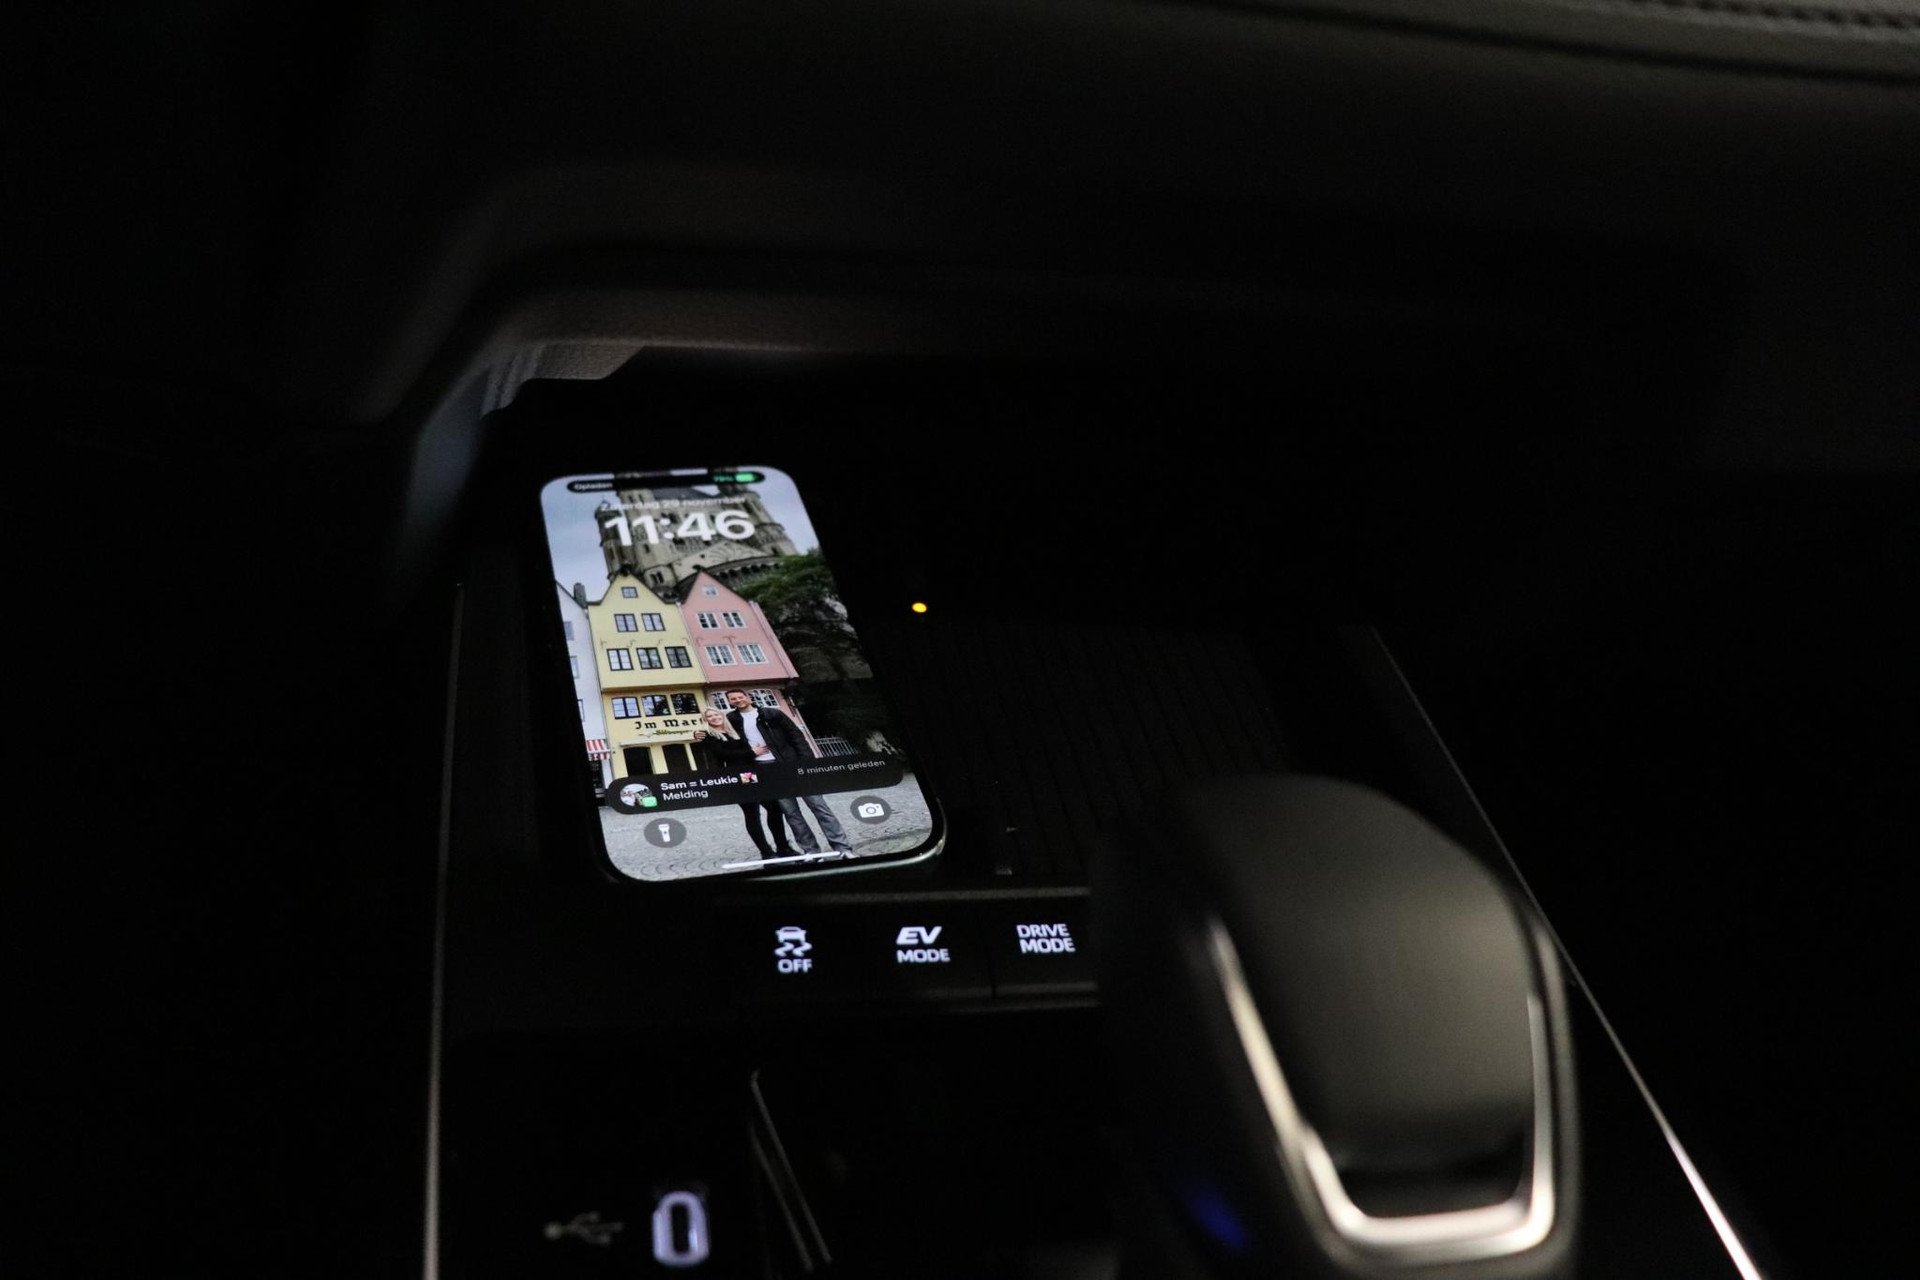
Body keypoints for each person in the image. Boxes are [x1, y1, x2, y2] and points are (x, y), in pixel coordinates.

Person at [724, 688, 854, 856]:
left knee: (819, 807)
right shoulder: (731, 719)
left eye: (740, 697)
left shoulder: (772, 713)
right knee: (791, 813)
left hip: (792, 765)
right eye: (733, 699)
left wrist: (806, 763)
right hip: (767, 770)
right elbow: (720, 735)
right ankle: (811, 851)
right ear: (729, 702)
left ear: (748, 697)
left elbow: (796, 735)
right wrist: (700, 735)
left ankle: (842, 848)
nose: (737, 700)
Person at [691, 708, 794, 860]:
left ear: (722, 715)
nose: (714, 717)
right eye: (709, 716)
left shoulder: (733, 730)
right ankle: (766, 852)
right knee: (752, 814)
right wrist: (752, 752)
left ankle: (783, 847)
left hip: (753, 774)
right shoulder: (707, 735)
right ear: (705, 720)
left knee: (774, 808)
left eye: (716, 714)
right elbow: (723, 754)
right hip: (736, 778)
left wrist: (754, 752)